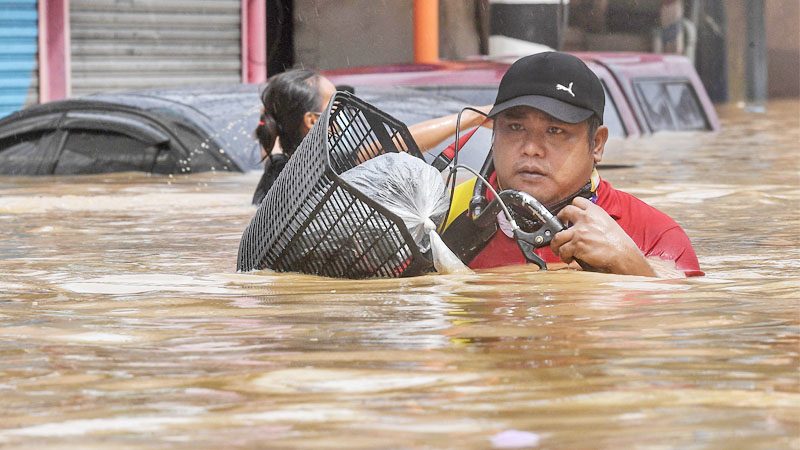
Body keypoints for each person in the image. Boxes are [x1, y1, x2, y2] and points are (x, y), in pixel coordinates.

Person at [442, 52, 702, 277]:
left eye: (555, 131)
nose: (531, 148)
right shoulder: (444, 212)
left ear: (597, 144)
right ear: (493, 134)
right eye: (515, 127)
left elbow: (678, 311)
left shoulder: (654, 234)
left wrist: (628, 262)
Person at [252, 69, 490, 205]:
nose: (343, 108)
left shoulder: (276, 167)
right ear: (313, 120)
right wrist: (471, 117)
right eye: (336, 101)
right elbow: (395, 143)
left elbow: (270, 136)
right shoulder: (323, 167)